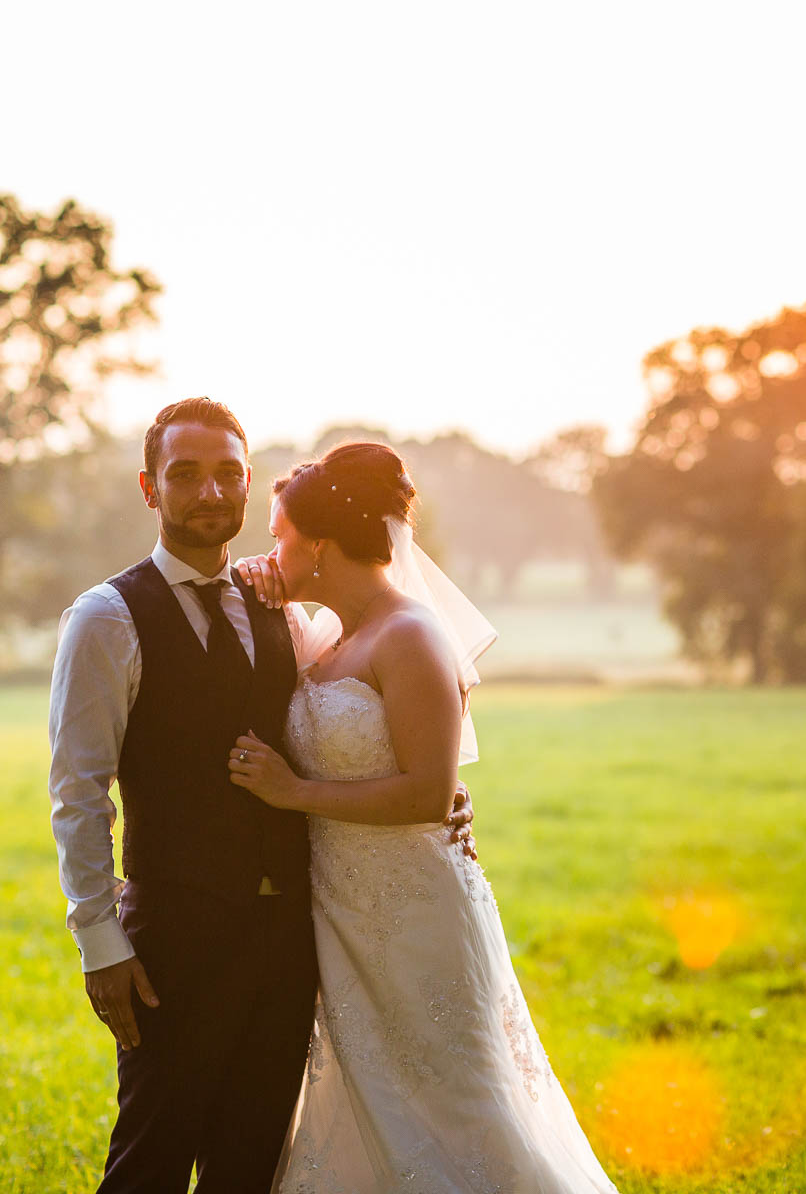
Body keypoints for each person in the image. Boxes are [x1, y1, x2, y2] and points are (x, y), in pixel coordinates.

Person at [46, 400, 475, 1193]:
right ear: (150, 488)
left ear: (247, 487)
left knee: (252, 1165)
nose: (209, 491)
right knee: (151, 1156)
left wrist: (440, 797)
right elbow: (77, 792)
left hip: (289, 939)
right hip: (171, 938)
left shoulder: (284, 612)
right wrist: (100, 940)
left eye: (227, 474)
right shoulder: (107, 618)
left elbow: (375, 704)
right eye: (185, 474)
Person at [227, 442, 619, 1193]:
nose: (269, 550)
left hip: (416, 910)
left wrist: (294, 793)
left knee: (455, 1105)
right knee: (365, 1100)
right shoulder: (326, 637)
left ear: (320, 545)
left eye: (277, 535)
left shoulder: (410, 635)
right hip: (341, 909)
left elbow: (429, 795)